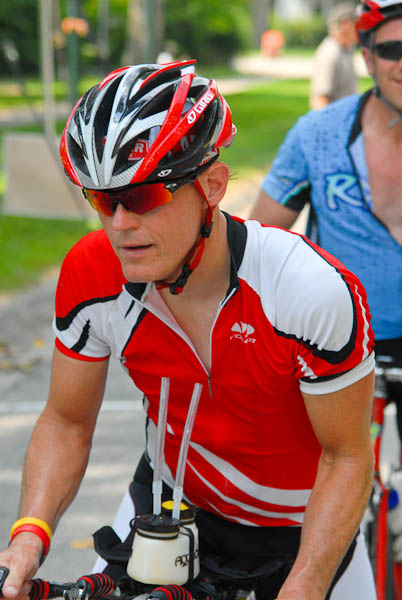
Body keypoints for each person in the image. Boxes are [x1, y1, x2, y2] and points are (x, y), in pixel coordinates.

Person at [0, 60, 376, 600]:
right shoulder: (92, 272)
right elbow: (66, 421)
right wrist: (29, 537)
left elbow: (347, 457)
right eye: (103, 199)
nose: (120, 223)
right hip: (170, 509)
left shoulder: (305, 289)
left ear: (213, 186)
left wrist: (308, 583)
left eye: (144, 197)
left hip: (303, 526)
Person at [250, 0, 402, 564]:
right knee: (328, 499)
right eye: (393, 49)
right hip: (344, 346)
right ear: (366, 56)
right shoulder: (318, 136)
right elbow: (260, 243)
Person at [310, 2, 358, 110]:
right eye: (357, 24)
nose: (361, 29)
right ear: (346, 24)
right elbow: (320, 99)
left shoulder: (346, 49)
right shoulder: (330, 53)